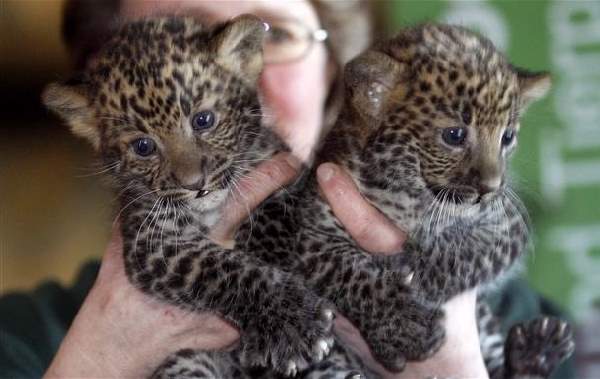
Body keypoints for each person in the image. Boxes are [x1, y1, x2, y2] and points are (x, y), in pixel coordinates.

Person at [2, 1, 567, 378]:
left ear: (339, 71)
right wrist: (101, 354)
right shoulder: (24, 337)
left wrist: (453, 366)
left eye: (274, 36)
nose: (243, 87)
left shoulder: (516, 311)